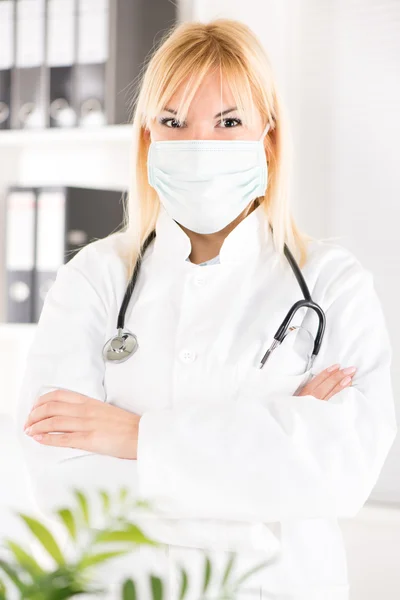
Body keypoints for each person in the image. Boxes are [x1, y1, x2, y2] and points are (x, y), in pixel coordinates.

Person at [16, 18, 397, 600]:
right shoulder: (93, 278)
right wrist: (265, 487)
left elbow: (340, 473)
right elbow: (63, 481)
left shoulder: (332, 284)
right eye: (174, 121)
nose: (200, 144)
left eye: (229, 122)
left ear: (268, 137)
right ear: (147, 137)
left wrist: (132, 436)